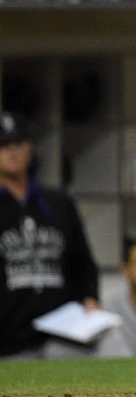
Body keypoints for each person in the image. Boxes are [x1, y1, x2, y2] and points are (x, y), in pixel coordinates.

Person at [0, 111, 102, 359]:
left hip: (63, 334)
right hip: (7, 339)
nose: (12, 151)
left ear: (30, 148)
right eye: (4, 145)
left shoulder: (58, 203)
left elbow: (83, 262)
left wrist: (90, 298)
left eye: (18, 143)